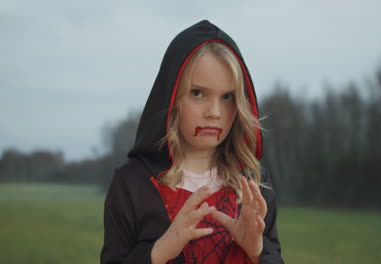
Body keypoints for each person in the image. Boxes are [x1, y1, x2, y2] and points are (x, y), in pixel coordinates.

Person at [101, 20, 284, 264]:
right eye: (198, 93)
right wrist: (158, 252)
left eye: (228, 97)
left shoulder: (254, 183)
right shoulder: (132, 183)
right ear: (170, 95)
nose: (215, 112)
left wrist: (256, 250)